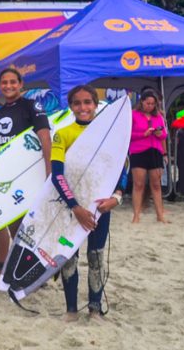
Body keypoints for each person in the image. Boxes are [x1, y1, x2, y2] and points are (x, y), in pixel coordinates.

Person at [50, 85, 127, 322]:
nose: (82, 107)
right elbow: (57, 175)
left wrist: (116, 198)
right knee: (68, 256)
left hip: (99, 208)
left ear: (95, 104)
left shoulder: (110, 134)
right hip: (69, 208)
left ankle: (95, 309)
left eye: (87, 102)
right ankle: (71, 310)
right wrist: (75, 207)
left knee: (96, 257)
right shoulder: (62, 134)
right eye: (77, 103)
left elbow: (122, 169)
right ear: (70, 106)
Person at [0, 67, 52, 278]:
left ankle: (37, 267)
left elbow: (45, 138)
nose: (8, 86)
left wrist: (49, 171)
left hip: (30, 176)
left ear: (21, 84)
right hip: (9, 178)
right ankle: (26, 269)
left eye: (13, 82)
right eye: (4, 83)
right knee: (15, 226)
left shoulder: (33, 106)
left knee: (30, 226)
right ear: (0, 86)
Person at [129, 89, 168, 223]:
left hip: (155, 151)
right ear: (142, 102)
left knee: (156, 185)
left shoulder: (159, 117)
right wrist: (142, 134)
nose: (150, 106)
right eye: (148, 103)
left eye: (152, 104)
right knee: (139, 184)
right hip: (138, 151)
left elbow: (164, 135)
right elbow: (127, 134)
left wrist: (159, 135)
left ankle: (160, 215)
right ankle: (136, 215)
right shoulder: (133, 115)